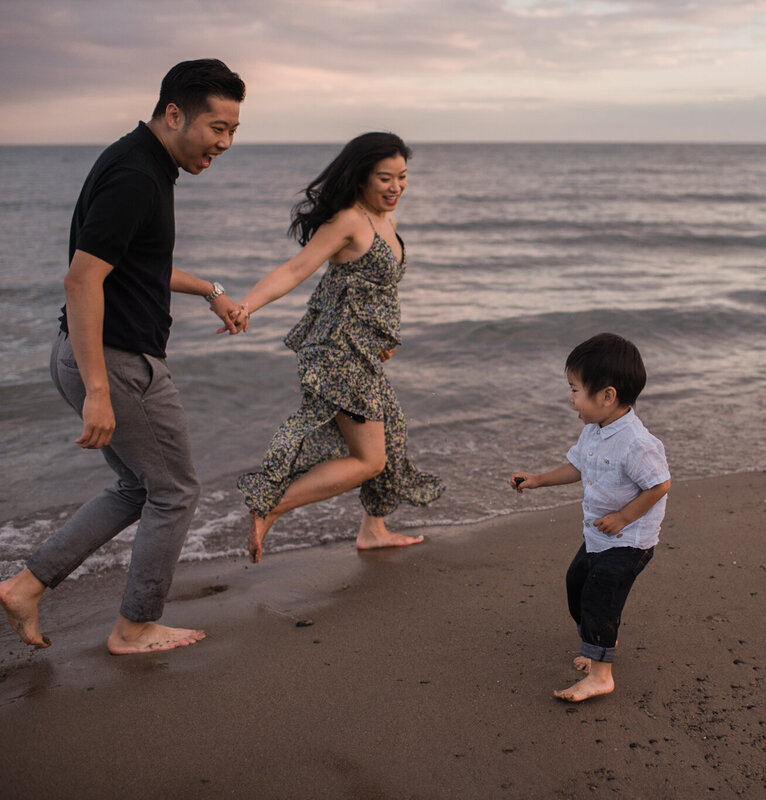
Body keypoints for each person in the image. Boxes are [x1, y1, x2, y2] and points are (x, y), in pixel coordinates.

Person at [0, 59, 246, 655]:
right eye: (217, 127)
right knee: (175, 491)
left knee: (140, 488)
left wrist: (211, 292)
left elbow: (136, 264)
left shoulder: (142, 163)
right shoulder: (137, 174)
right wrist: (100, 391)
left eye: (234, 130)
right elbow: (82, 281)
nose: (225, 143)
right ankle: (135, 626)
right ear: (173, 113)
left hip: (93, 355)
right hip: (115, 361)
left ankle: (27, 585)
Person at [234, 132, 443, 563]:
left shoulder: (388, 221)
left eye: (402, 177)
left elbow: (377, 290)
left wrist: (383, 337)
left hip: (362, 353)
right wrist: (246, 306)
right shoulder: (349, 220)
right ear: (361, 177)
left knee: (394, 436)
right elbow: (295, 270)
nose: (395, 187)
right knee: (370, 460)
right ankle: (271, 505)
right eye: (385, 178)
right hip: (337, 355)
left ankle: (373, 530)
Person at [509, 333, 670, 702]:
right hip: (599, 537)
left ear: (607, 395)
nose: (570, 398)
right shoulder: (593, 432)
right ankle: (599, 640)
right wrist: (536, 480)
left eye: (575, 389)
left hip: (629, 541)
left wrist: (624, 517)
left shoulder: (636, 442)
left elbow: (660, 485)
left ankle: (601, 674)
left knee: (600, 598)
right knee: (576, 586)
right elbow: (576, 467)